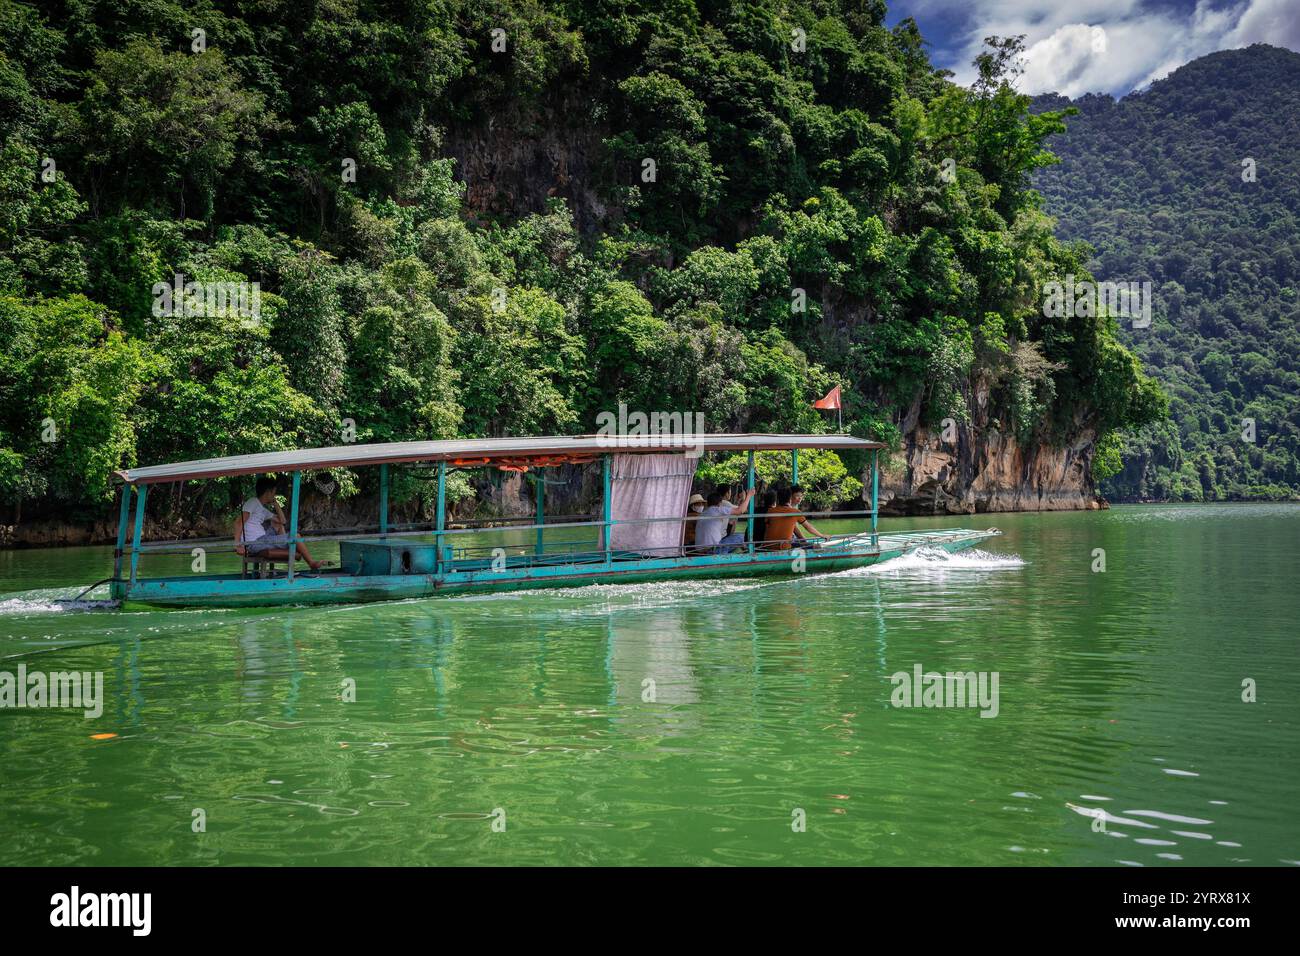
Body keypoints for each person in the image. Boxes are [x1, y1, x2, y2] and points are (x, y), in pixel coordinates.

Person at [236, 475, 323, 570]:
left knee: (277, 524)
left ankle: (286, 546)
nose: (274, 495)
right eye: (274, 492)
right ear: (268, 492)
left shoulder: (262, 509)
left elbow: (282, 521)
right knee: (295, 536)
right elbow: (238, 522)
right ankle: (311, 563)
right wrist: (238, 545)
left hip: (262, 538)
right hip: (255, 543)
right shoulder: (252, 502)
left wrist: (275, 504)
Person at [760, 485, 827, 551]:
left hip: (767, 546)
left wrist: (804, 541)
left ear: (777, 499)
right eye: (797, 496)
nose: (800, 498)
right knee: (817, 546)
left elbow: (768, 529)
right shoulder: (795, 512)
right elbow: (808, 527)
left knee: (799, 542)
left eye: (801, 496)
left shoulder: (770, 511)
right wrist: (822, 535)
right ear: (790, 498)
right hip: (784, 547)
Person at [695, 487, 755, 554]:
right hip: (713, 549)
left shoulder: (703, 513)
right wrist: (749, 496)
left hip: (699, 550)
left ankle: (735, 552)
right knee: (739, 535)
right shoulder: (718, 509)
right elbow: (741, 511)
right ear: (720, 503)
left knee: (736, 542)